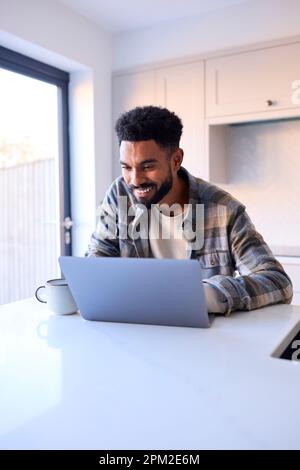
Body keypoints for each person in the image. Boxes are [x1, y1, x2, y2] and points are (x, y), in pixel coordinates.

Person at [87, 106, 293, 314]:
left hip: (202, 338)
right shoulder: (120, 194)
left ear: (176, 160)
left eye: (148, 167)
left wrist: (206, 296)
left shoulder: (224, 210)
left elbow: (278, 282)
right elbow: (96, 260)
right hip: (135, 328)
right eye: (127, 167)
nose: (135, 180)